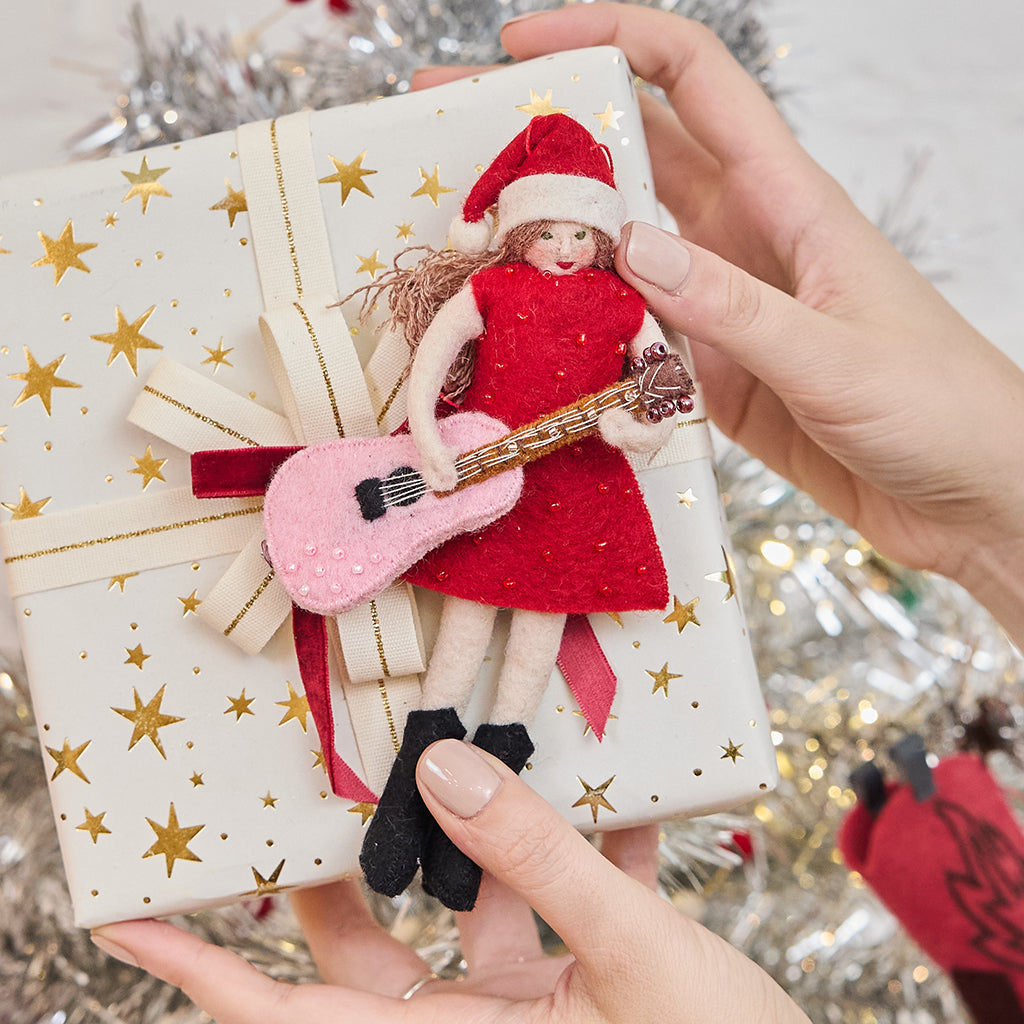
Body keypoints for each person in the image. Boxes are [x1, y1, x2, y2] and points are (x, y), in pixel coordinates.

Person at [87, 4, 1024, 1022]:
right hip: (481, 493)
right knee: (458, 653)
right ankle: (405, 815)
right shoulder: (488, 292)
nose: (572, 247)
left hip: (580, 498)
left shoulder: (627, 306)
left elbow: (660, 390)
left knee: (526, 668)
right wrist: (434, 442)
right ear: (524, 228)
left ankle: (466, 837)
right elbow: (432, 369)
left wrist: (638, 428)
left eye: (587, 231)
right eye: (555, 230)